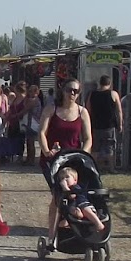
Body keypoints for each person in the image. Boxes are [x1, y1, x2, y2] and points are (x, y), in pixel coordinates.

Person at [40, 80, 92, 245]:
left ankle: (69, 224)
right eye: (70, 90)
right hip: (53, 160)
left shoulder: (82, 112)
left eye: (76, 91)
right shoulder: (52, 109)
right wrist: (46, 150)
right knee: (58, 195)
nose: (72, 94)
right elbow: (41, 132)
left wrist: (85, 153)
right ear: (63, 91)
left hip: (74, 160)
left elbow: (88, 138)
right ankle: (51, 235)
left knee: (75, 194)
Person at [86, 75, 124, 172]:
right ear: (110, 83)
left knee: (95, 148)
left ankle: (94, 167)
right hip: (109, 126)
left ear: (100, 83)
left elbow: (88, 109)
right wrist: (120, 124)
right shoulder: (113, 94)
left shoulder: (92, 94)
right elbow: (119, 110)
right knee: (110, 147)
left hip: (95, 125)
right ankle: (111, 168)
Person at [55, 164, 103, 231]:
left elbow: (72, 196)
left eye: (67, 177)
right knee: (68, 212)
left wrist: (65, 187)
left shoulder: (75, 187)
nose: (64, 180)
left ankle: (98, 223)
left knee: (86, 210)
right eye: (62, 178)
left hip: (83, 204)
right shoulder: (61, 190)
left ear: (75, 180)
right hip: (74, 207)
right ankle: (77, 216)